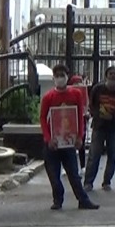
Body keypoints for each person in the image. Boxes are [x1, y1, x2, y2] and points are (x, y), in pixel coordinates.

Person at [41, 65, 100, 211]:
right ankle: (58, 200)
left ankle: (83, 200)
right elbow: (43, 119)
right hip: (53, 142)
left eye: (63, 75)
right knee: (54, 175)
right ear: (53, 77)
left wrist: (79, 137)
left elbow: (79, 116)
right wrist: (49, 139)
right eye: (57, 75)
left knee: (73, 174)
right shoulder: (48, 97)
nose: (60, 78)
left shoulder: (75, 94)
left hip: (68, 141)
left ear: (67, 76)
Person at [85, 66, 115, 191]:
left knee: (112, 155)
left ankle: (107, 181)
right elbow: (92, 105)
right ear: (106, 75)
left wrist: (113, 115)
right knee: (94, 154)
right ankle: (88, 182)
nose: (113, 76)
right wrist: (98, 114)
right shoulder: (98, 89)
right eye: (111, 73)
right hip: (99, 126)